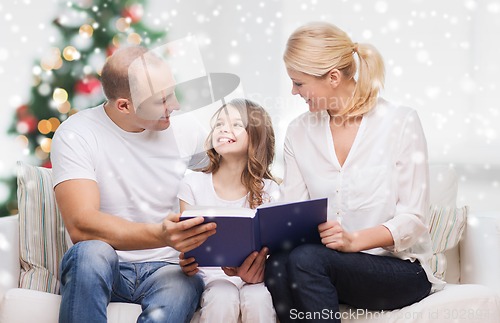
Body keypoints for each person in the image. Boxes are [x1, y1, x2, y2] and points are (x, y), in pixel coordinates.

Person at [264, 22, 444, 323]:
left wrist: (354, 240)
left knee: (306, 260)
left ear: (333, 77)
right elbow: (292, 214)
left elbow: (413, 220)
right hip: (326, 267)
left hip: (399, 270)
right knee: (278, 265)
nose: (294, 92)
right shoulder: (298, 132)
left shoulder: (400, 122)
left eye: (299, 83)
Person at [51, 46, 217, 323]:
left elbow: (234, 177)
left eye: (173, 92)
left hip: (170, 268)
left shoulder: (185, 128)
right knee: (90, 252)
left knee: (182, 284)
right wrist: (161, 235)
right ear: (124, 105)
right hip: (108, 266)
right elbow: (81, 224)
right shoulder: (77, 134)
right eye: (162, 100)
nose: (175, 106)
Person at [177, 99, 279, 323]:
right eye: (220, 124)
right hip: (210, 278)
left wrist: (260, 269)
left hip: (254, 279)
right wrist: (185, 260)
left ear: (256, 136)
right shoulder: (192, 184)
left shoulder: (270, 191)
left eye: (236, 124)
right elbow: (187, 244)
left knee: (258, 298)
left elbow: (276, 250)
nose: (224, 129)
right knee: (222, 296)